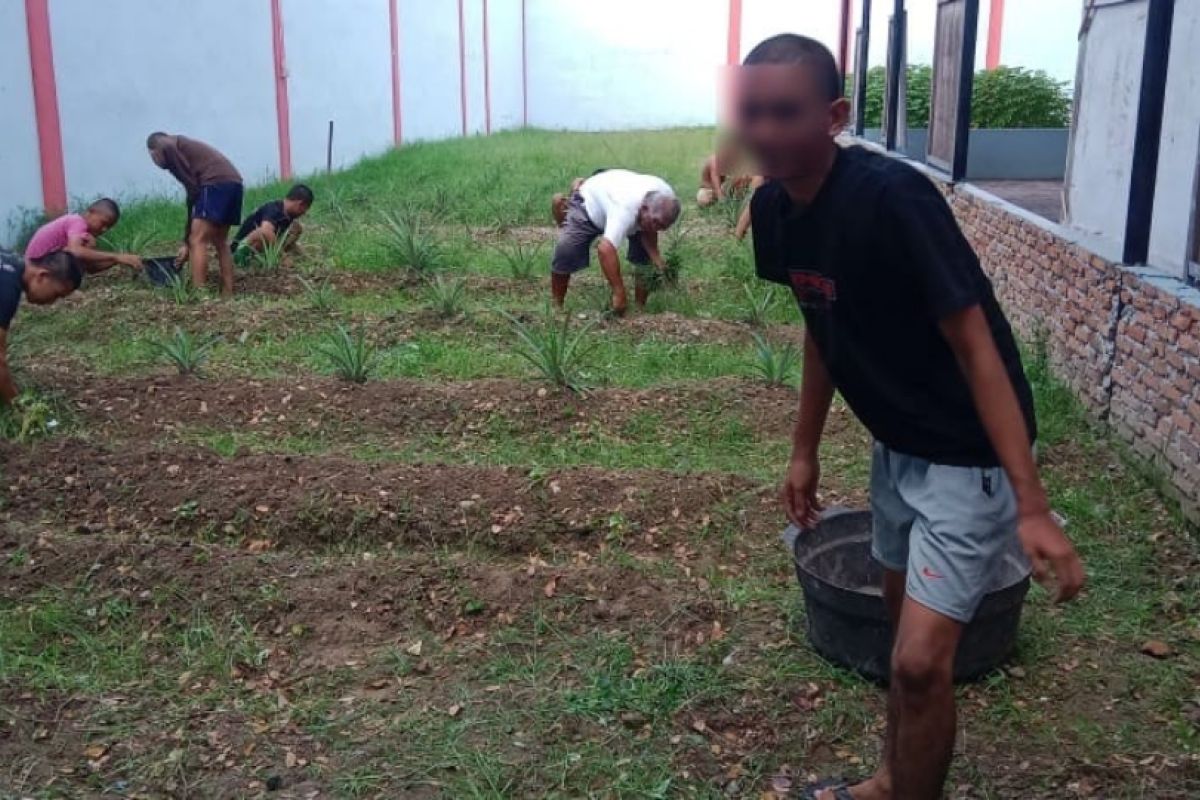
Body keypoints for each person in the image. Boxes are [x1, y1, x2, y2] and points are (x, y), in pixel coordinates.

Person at [736, 34, 1085, 800]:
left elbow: (976, 342)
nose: (762, 130)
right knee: (902, 639)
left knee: (923, 661)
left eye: (784, 113)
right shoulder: (773, 209)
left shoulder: (894, 200)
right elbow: (820, 320)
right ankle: (891, 779)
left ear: (831, 116)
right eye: (750, 111)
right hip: (897, 446)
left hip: (969, 453)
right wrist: (804, 449)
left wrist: (1031, 502)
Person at [551, 169, 681, 315]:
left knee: (645, 261)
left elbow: (651, 232)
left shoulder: (667, 198)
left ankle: (640, 308)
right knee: (567, 249)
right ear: (643, 208)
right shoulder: (625, 208)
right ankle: (557, 306)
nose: (657, 229)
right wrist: (619, 292)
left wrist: (660, 264)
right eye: (655, 223)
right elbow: (605, 249)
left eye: (662, 227)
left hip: (617, 192)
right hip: (590, 204)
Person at [147, 132, 243, 297]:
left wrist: (188, 242)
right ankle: (228, 291)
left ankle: (200, 293)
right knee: (220, 241)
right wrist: (186, 241)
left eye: (153, 157)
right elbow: (192, 191)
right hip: (234, 183)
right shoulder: (183, 146)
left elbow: (193, 191)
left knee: (197, 240)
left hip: (215, 183)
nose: (155, 162)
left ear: (154, 151)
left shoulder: (167, 146)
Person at [0, 249, 83, 403]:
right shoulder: (7, 288)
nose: (52, 302)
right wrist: (18, 405)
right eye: (57, 294)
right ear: (42, 276)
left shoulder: (12, 260)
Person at [24, 198, 142, 275]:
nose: (104, 229)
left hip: (37, 267)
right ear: (89, 213)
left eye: (108, 227)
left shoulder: (81, 234)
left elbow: (91, 268)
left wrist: (116, 260)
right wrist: (117, 256)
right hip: (35, 268)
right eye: (103, 223)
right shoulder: (77, 221)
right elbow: (75, 251)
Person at [232, 184, 314, 267]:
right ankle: (245, 262)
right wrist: (284, 257)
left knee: (296, 228)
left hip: (262, 248)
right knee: (262, 233)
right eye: (305, 209)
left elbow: (290, 242)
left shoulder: (287, 216)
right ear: (300, 204)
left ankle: (269, 258)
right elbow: (265, 231)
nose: (304, 213)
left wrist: (307, 258)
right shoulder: (273, 209)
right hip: (241, 249)